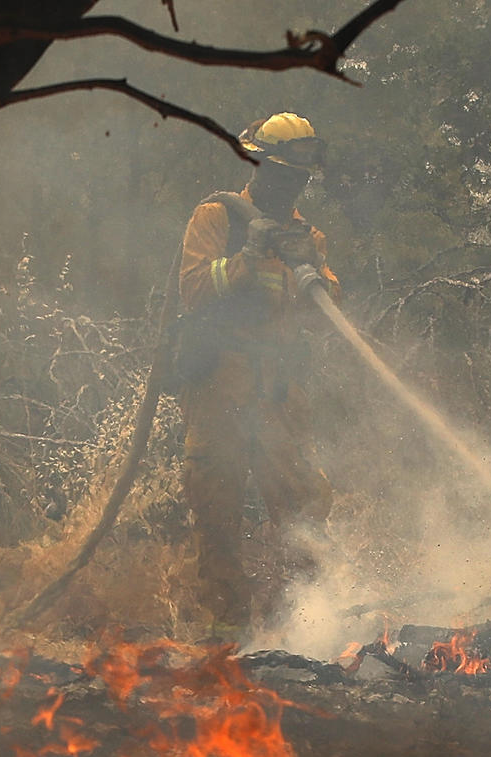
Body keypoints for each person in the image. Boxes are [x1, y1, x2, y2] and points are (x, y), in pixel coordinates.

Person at [173, 112, 340, 638]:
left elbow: (327, 306)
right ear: (257, 164)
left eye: (300, 177)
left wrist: (308, 261)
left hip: (277, 393)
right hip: (220, 387)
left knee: (302, 508)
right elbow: (193, 288)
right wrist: (247, 255)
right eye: (282, 172)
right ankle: (227, 631)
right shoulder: (217, 217)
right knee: (216, 506)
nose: (291, 184)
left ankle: (302, 626)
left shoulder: (308, 235)